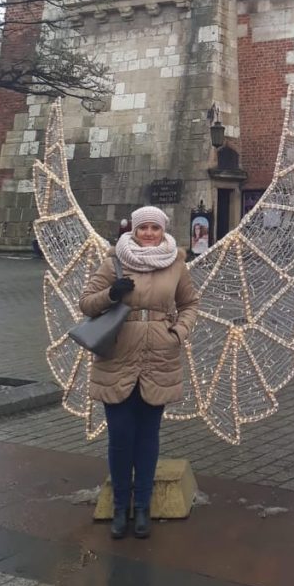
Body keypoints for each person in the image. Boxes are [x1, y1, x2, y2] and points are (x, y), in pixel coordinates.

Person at [79, 205, 198, 540]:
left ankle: (142, 507)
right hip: (116, 358)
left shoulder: (176, 263)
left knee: (147, 438)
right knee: (120, 438)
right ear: (132, 230)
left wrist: (178, 332)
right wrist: (111, 293)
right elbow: (86, 303)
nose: (148, 233)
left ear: (163, 231)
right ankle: (120, 507)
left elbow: (190, 303)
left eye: (154, 228)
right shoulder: (114, 260)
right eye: (142, 227)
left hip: (159, 358)